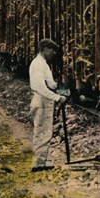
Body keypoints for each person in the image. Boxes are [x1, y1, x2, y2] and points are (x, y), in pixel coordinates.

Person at [29, 39, 67, 172]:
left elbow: (49, 83)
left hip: (42, 99)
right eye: (52, 50)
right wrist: (57, 97)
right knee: (42, 132)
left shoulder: (42, 63)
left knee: (43, 131)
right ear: (44, 49)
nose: (53, 53)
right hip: (41, 100)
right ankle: (39, 164)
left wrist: (58, 86)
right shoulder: (39, 64)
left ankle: (41, 161)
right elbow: (40, 87)